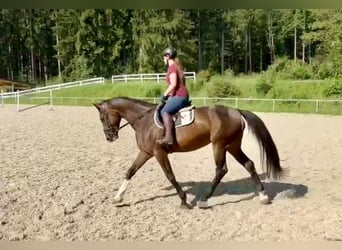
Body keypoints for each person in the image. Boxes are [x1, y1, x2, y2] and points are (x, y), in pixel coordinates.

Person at [157, 47, 190, 146]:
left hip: (180, 96)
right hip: (180, 95)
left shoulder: (172, 68)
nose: (163, 60)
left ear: (167, 56)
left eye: (164, 57)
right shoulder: (176, 66)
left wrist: (164, 95)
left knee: (164, 111)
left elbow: (173, 84)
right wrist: (169, 96)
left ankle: (169, 138)